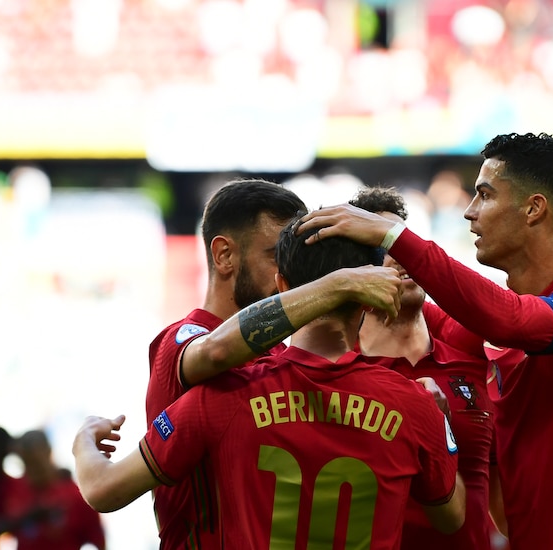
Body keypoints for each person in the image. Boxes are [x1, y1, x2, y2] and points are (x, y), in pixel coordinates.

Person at [300, 132, 553, 548]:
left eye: (484, 195)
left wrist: (395, 236)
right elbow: (419, 313)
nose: (469, 213)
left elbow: (511, 319)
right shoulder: (482, 336)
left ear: (533, 208)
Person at [73, 216, 465, 548]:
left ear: (280, 284)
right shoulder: (413, 405)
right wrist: (440, 423)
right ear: (368, 297)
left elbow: (103, 490)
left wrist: (83, 444)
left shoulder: (222, 397)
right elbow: (452, 517)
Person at [143, 178, 403, 547]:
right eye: (274, 256)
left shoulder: (280, 358)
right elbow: (216, 352)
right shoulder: (181, 340)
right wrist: (338, 283)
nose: (292, 272)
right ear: (224, 255)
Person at [351, 186, 495, 549]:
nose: (400, 256)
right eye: (382, 248)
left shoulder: (471, 351)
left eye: (404, 241)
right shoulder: (335, 368)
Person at [9, 430, 105, 550]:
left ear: (48, 451)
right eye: (26, 463)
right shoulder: (14, 490)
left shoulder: (76, 495)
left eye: (35, 462)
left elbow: (99, 541)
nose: (32, 469)